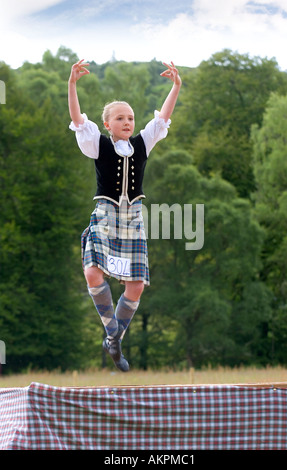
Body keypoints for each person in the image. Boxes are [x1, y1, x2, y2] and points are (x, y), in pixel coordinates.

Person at [68, 59, 181, 372]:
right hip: (105, 215)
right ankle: (112, 333)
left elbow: (163, 118)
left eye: (130, 117)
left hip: (134, 218)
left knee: (136, 287)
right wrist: (72, 85)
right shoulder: (98, 145)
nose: (127, 122)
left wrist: (176, 87)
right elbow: (77, 120)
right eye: (120, 118)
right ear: (108, 124)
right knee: (92, 272)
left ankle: (115, 340)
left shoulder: (143, 144)